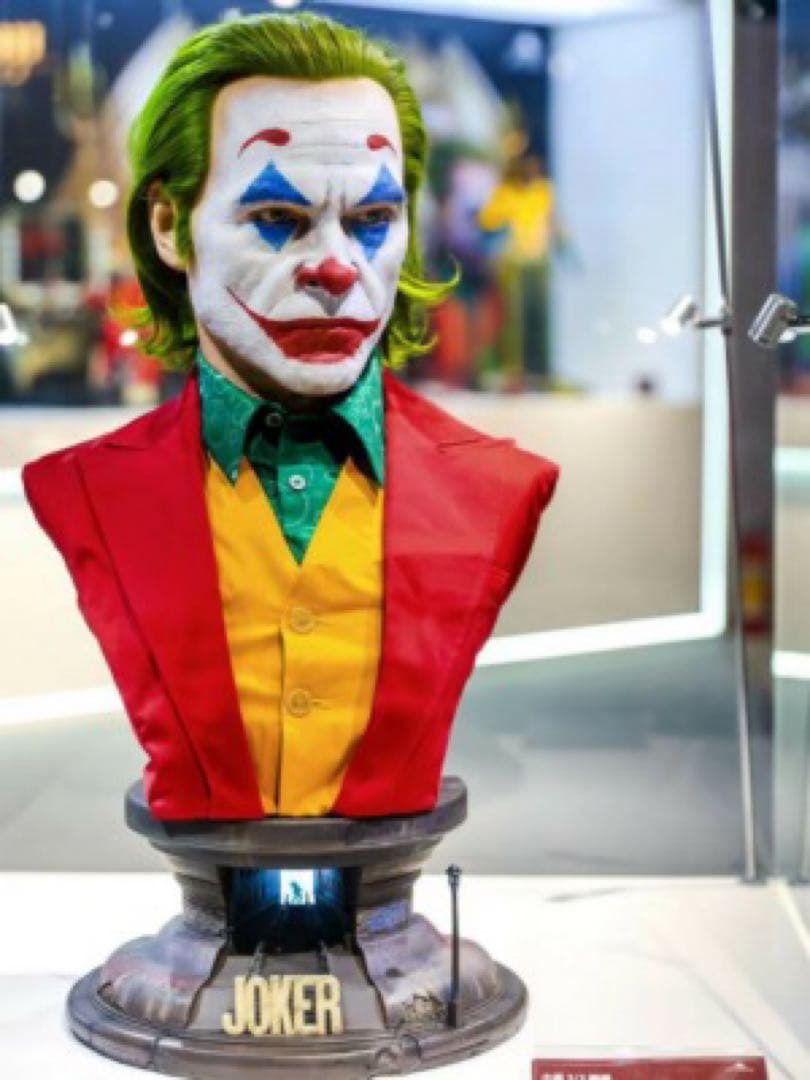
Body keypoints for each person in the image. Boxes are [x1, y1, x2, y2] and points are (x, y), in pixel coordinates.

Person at [22, 13, 558, 821]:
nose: (337, 268)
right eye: (277, 218)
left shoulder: (498, 485)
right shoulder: (87, 490)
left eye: (373, 221)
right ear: (169, 226)